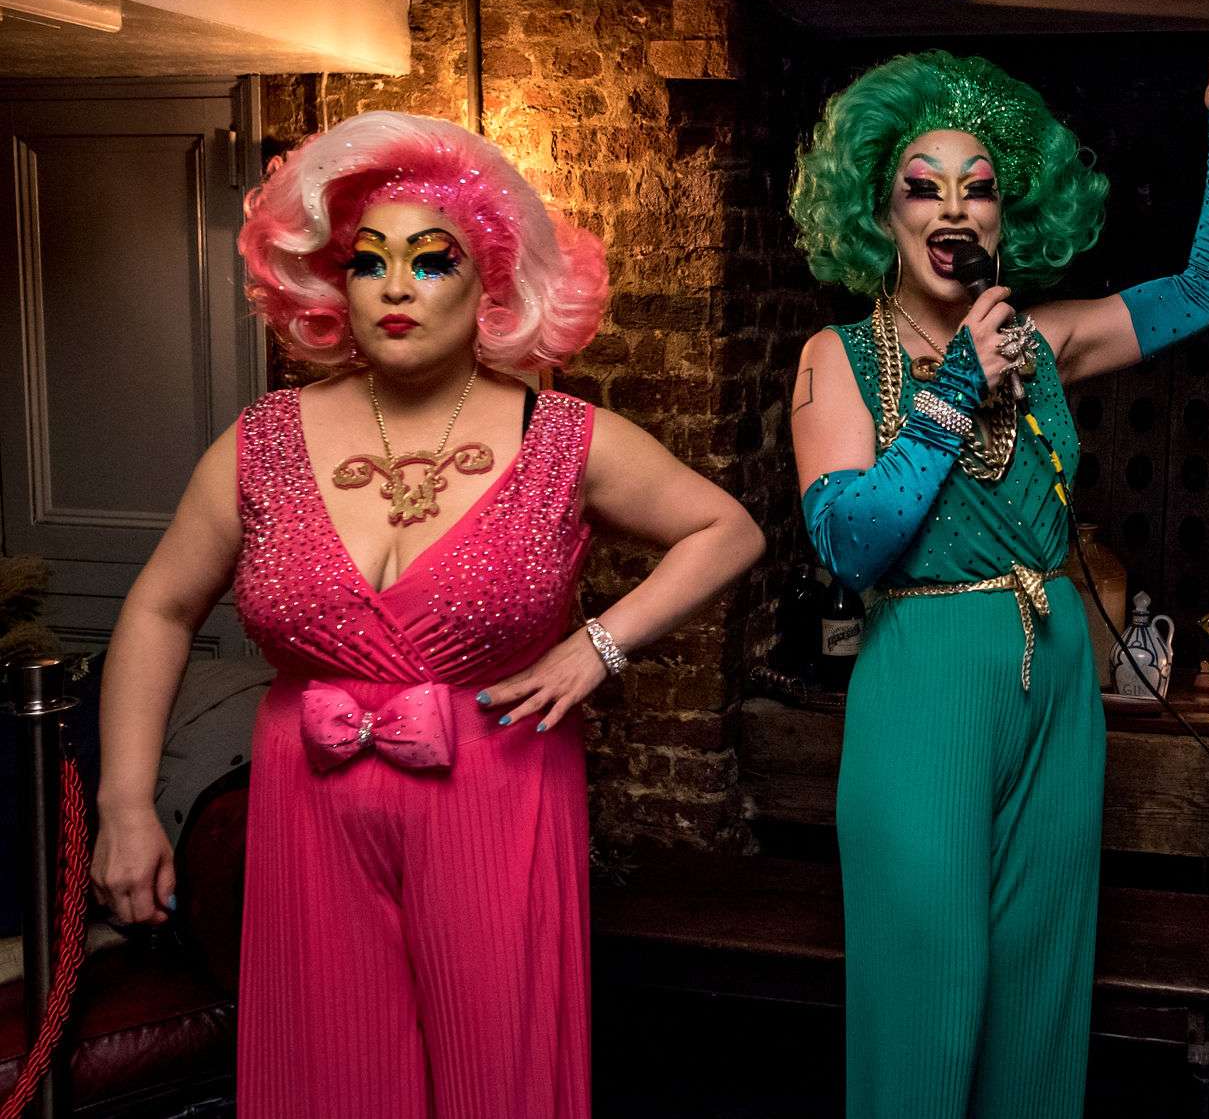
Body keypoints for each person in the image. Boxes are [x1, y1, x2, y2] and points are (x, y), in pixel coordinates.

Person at [90, 111, 765, 1119]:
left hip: (498, 790)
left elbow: (726, 528)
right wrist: (125, 803)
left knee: (498, 1076)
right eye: (369, 262)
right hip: (308, 801)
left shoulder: (562, 435)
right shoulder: (263, 440)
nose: (396, 286)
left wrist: (596, 647)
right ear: (331, 286)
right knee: (329, 1078)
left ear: (491, 283)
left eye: (431, 259)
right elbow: (158, 605)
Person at [788, 0, 1209, 1118]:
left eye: (980, 185)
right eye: (924, 185)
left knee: (1038, 997)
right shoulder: (836, 356)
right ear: (884, 213)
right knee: (927, 994)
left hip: (1054, 678)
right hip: (924, 682)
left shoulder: (1045, 339)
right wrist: (957, 384)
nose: (954, 205)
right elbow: (848, 542)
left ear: (1009, 214)